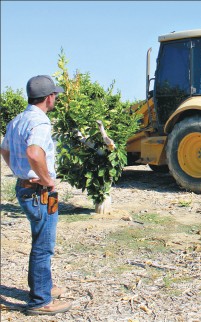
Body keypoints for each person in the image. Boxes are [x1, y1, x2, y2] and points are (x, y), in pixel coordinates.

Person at [0, 75, 72, 316]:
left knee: (40, 238)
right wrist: (47, 180)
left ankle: (45, 286)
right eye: (55, 96)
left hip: (25, 188)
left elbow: (4, 149)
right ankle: (40, 301)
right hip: (39, 192)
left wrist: (19, 172)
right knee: (43, 246)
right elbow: (33, 152)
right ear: (49, 97)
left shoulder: (18, 120)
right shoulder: (40, 122)